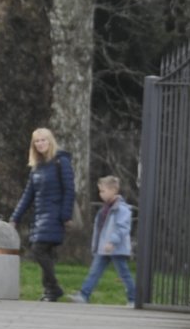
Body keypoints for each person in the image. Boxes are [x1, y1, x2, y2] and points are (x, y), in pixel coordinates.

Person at [10, 127, 74, 301]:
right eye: (36, 141)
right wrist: (15, 217)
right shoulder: (36, 167)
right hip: (40, 215)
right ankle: (50, 291)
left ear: (50, 141)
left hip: (55, 214)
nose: (40, 144)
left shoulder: (61, 161)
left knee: (39, 249)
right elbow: (28, 195)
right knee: (46, 253)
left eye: (43, 140)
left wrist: (66, 215)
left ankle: (53, 287)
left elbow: (69, 190)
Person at [71, 176, 137, 305]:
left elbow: (122, 228)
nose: (100, 194)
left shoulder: (121, 209)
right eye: (100, 191)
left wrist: (112, 242)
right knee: (94, 272)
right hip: (104, 248)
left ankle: (133, 298)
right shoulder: (105, 209)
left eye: (103, 191)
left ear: (113, 190)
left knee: (124, 274)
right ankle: (84, 295)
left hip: (116, 248)